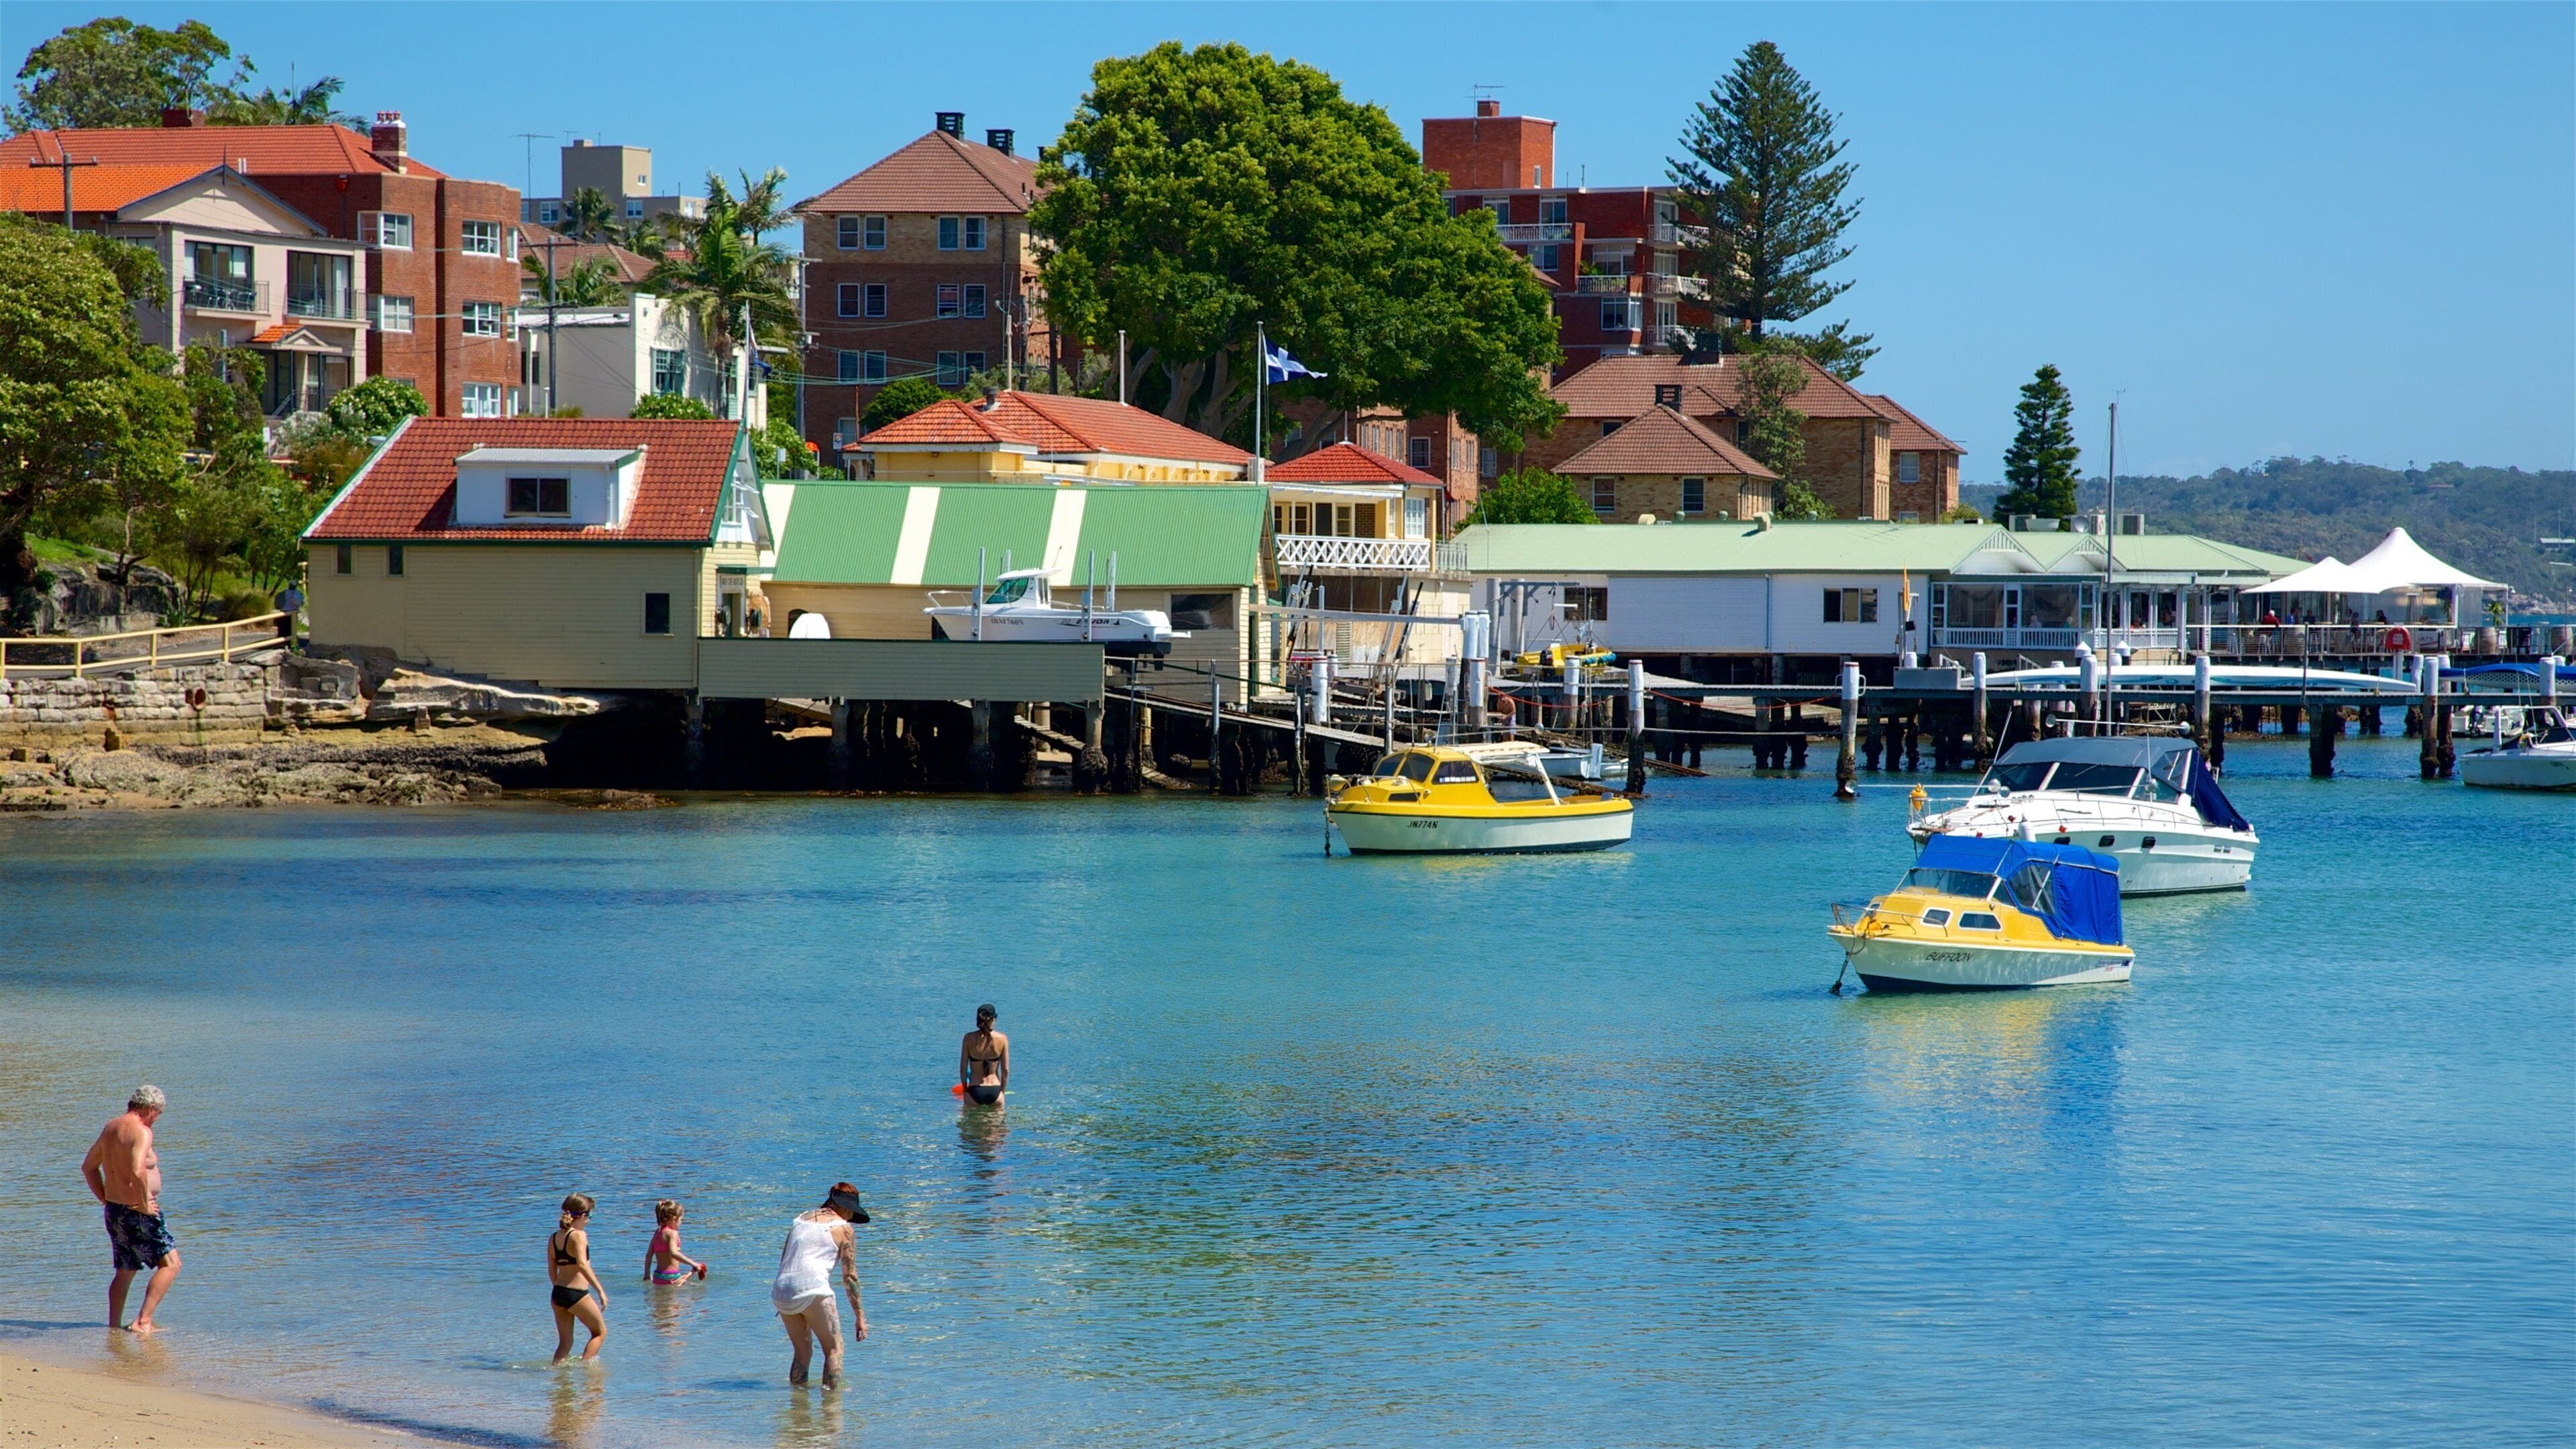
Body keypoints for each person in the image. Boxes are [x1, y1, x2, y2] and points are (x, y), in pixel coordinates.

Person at [81, 1085, 179, 1335]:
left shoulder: (111, 1127)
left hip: (116, 1211)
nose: (157, 1119)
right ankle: (143, 1322)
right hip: (138, 1212)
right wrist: (145, 1204)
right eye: (158, 1113)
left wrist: (106, 1199)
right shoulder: (142, 1132)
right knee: (171, 1264)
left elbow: (88, 1167)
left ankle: (114, 1327)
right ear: (149, 1109)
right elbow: (137, 1170)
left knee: (125, 1271)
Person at [771, 1183, 868, 1386]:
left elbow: (785, 1257)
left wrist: (788, 1294)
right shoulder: (844, 1229)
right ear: (846, 1208)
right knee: (834, 1349)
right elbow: (850, 1276)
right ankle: (832, 1409)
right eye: (851, 1211)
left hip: (782, 1289)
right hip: (814, 1289)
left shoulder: (801, 1219)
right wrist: (860, 1317)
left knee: (802, 1351)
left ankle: (798, 1407)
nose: (851, 1217)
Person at [548, 1194, 608, 1362]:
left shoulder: (554, 1238)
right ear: (582, 1215)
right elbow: (583, 1264)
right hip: (577, 1294)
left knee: (565, 1343)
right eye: (589, 1216)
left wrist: (560, 1292)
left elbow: (552, 1272)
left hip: (558, 1294)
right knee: (600, 1333)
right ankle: (587, 1373)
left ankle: (558, 1378)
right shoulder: (579, 1236)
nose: (589, 1220)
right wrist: (600, 1291)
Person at [644, 1199, 707, 1284]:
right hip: (672, 1276)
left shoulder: (657, 1233)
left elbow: (649, 1255)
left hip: (657, 1277)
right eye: (681, 1220)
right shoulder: (672, 1233)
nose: (681, 1223)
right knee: (694, 1295)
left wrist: (647, 1275)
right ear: (674, 1219)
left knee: (661, 1297)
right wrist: (693, 1264)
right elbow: (674, 1253)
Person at [959, 1004, 1009, 1106]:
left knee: (972, 1122)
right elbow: (1005, 1069)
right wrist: (1002, 1091)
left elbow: (963, 1069)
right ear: (993, 1019)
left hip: (974, 1090)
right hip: (995, 1089)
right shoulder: (1002, 1038)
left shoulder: (968, 1038)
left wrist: (965, 1091)